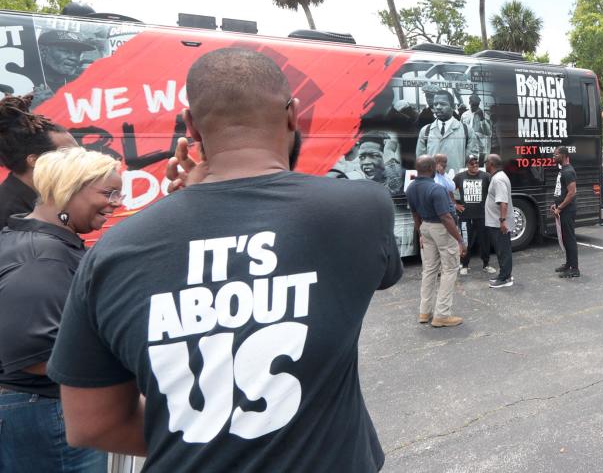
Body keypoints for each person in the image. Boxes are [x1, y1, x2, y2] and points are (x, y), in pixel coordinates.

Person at [46, 48, 403, 472]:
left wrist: (184, 206)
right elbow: (377, 272)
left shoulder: (112, 253)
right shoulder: (362, 210)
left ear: (191, 126)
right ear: (292, 115)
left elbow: (91, 424)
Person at [0, 147, 120, 473]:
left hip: (40, 411)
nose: (117, 202)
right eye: (109, 192)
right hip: (45, 412)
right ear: (70, 188)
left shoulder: (42, 238)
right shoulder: (44, 253)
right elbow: (34, 352)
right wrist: (118, 369)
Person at [0, 94, 78, 227]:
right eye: (67, 155)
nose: (79, 161)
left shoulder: (41, 199)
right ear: (35, 160)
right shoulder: (12, 213)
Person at [407, 155, 466, 327]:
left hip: (425, 227)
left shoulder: (411, 188)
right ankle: (442, 315)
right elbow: (446, 218)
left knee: (429, 270)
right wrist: (460, 240)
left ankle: (424, 312)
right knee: (449, 269)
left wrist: (420, 233)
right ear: (432, 168)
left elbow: (415, 214)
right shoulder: (436, 189)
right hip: (441, 229)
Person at [416, 90, 479, 171]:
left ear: (452, 106)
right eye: (435, 104)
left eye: (443, 104)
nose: (438, 107)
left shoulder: (466, 130)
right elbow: (420, 160)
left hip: (456, 181)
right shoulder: (425, 131)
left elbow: (472, 159)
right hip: (433, 181)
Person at [453, 155, 495, 276]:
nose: (475, 165)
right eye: (472, 164)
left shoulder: (486, 176)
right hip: (465, 216)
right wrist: (455, 204)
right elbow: (448, 190)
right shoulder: (459, 177)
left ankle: (486, 264)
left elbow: (494, 191)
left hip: (482, 215)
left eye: (476, 163)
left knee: (485, 241)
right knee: (465, 241)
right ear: (467, 165)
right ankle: (465, 264)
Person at [484, 154, 514, 288]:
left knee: (503, 250)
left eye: (485, 162)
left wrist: (502, 221)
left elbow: (503, 202)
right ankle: (505, 274)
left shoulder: (498, 179)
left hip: (499, 223)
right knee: (502, 250)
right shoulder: (498, 177)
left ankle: (504, 278)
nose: (484, 164)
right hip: (497, 222)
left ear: (491, 164)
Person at [551, 146, 579, 278]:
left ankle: (574, 269)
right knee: (565, 239)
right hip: (563, 209)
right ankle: (568, 264)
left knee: (570, 239)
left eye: (556, 154)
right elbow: (561, 190)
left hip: (567, 211)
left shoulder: (568, 171)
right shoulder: (563, 170)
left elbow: (572, 193)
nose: (553, 156)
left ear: (563, 155)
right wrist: (555, 204)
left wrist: (560, 207)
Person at [459, 95, 493, 159]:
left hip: (481, 148)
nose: (474, 106)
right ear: (469, 103)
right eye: (473, 104)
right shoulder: (464, 115)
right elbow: (460, 130)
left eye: (476, 105)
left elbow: (488, 133)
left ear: (479, 104)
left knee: (480, 166)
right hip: (468, 145)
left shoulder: (485, 116)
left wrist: (482, 119)